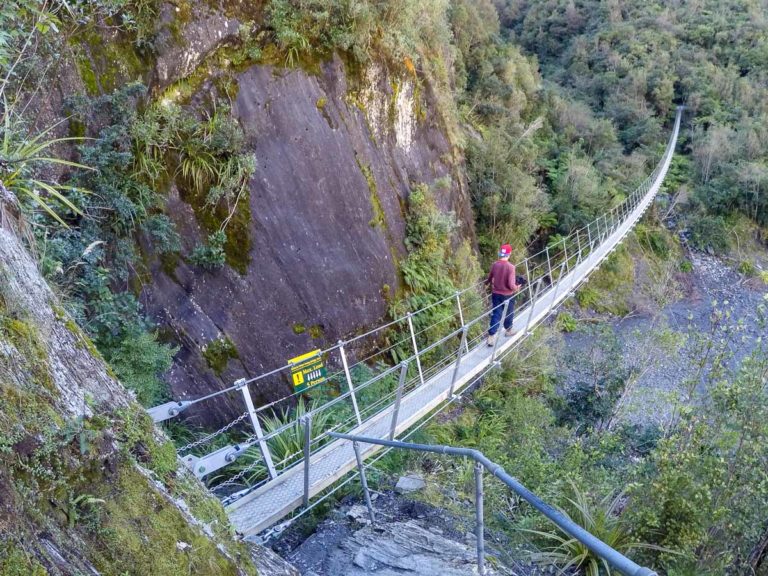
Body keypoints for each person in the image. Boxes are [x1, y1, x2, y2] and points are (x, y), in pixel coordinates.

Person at [485, 243, 520, 346]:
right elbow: (511, 284)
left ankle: (491, 336)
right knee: (509, 312)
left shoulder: (495, 264)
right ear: (509, 254)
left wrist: (486, 283)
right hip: (508, 295)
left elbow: (490, 277)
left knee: (496, 313)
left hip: (496, 293)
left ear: (500, 254)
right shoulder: (511, 267)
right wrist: (517, 288)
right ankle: (508, 330)